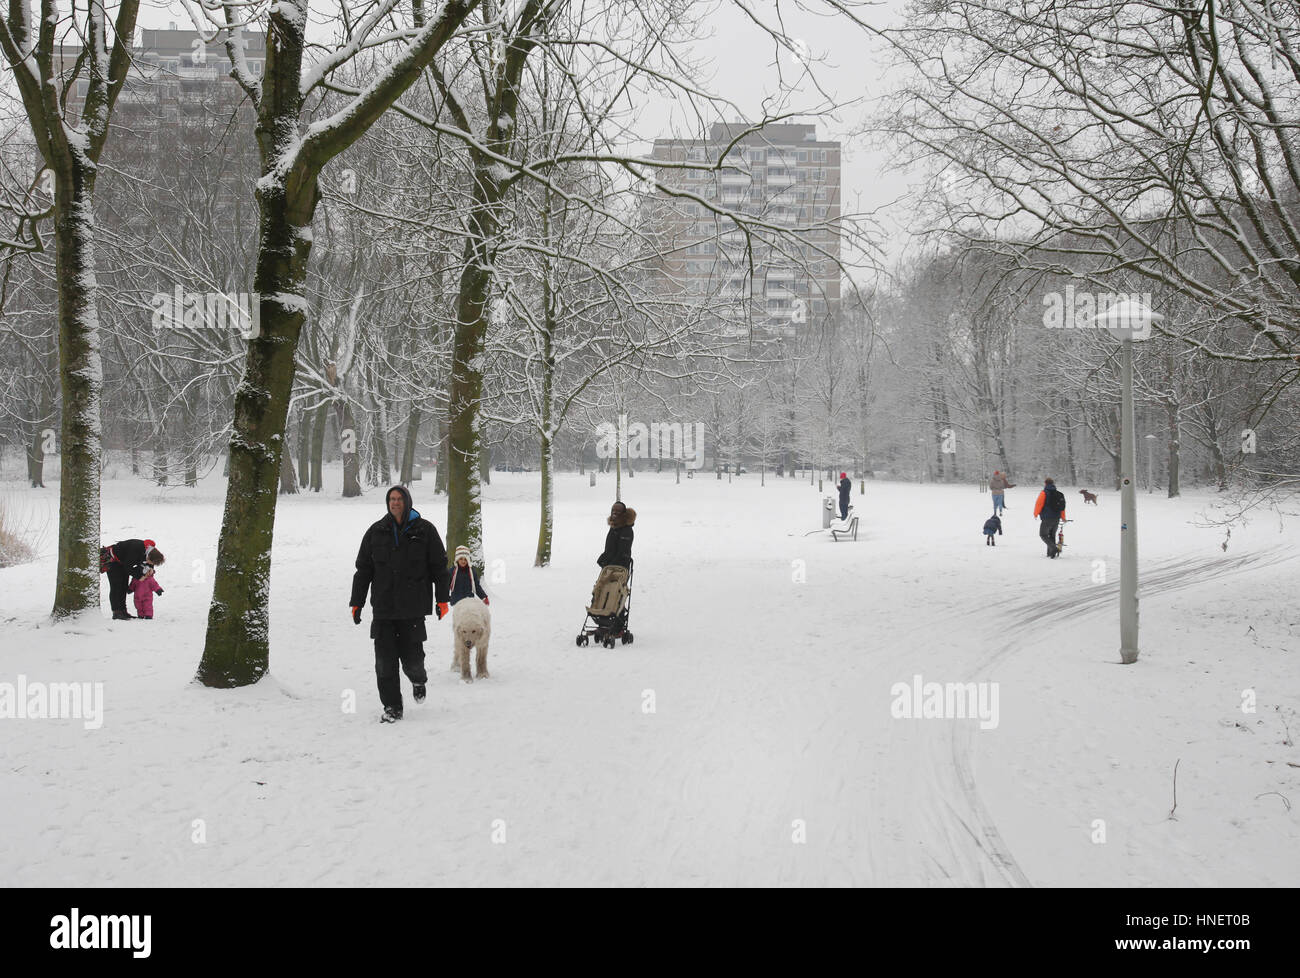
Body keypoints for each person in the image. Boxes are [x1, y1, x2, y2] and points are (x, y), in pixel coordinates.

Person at [350, 486, 450, 723]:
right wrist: (357, 602)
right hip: (384, 609)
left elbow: (439, 566)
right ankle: (392, 707)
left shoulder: (425, 530)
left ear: (407, 501)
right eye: (391, 499)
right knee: (384, 663)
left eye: (399, 499)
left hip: (413, 608)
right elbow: (363, 570)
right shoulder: (376, 532)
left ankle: (418, 679)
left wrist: (443, 599)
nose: (395, 503)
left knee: (413, 659)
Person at [101, 538, 165, 620]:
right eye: (150, 562)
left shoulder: (152, 551)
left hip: (123, 562)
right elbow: (127, 566)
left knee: (124, 586)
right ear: (148, 556)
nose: (150, 564)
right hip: (113, 561)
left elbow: (145, 563)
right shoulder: (136, 550)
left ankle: (123, 611)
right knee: (117, 586)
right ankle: (116, 612)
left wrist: (150, 568)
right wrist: (140, 577)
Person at [1033, 477, 1067, 558]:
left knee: (1043, 534)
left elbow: (1039, 504)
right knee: (1052, 535)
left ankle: (1053, 548)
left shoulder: (1044, 493)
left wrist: (1036, 513)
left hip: (1047, 518)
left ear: (1045, 483)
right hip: (1056, 518)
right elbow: (1062, 507)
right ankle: (1051, 553)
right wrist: (1063, 517)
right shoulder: (1059, 494)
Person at [597, 500, 635, 568]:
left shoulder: (626, 530)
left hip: (619, 568)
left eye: (618, 510)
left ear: (623, 513)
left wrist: (610, 565)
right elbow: (610, 548)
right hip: (609, 567)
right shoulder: (614, 527)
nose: (614, 512)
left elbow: (623, 552)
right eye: (613, 510)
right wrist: (603, 559)